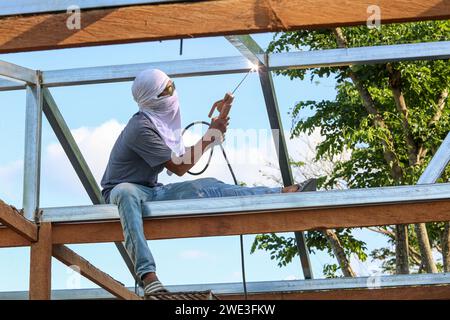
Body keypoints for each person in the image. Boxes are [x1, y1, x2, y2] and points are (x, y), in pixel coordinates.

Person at [100, 68, 316, 297]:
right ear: (154, 99)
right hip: (121, 191)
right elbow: (180, 166)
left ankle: (280, 193)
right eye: (168, 90)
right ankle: (148, 276)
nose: (174, 93)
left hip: (150, 190)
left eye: (173, 85)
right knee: (126, 192)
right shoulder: (140, 128)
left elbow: (182, 160)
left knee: (208, 186)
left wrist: (217, 126)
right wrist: (210, 135)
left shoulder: (161, 123)